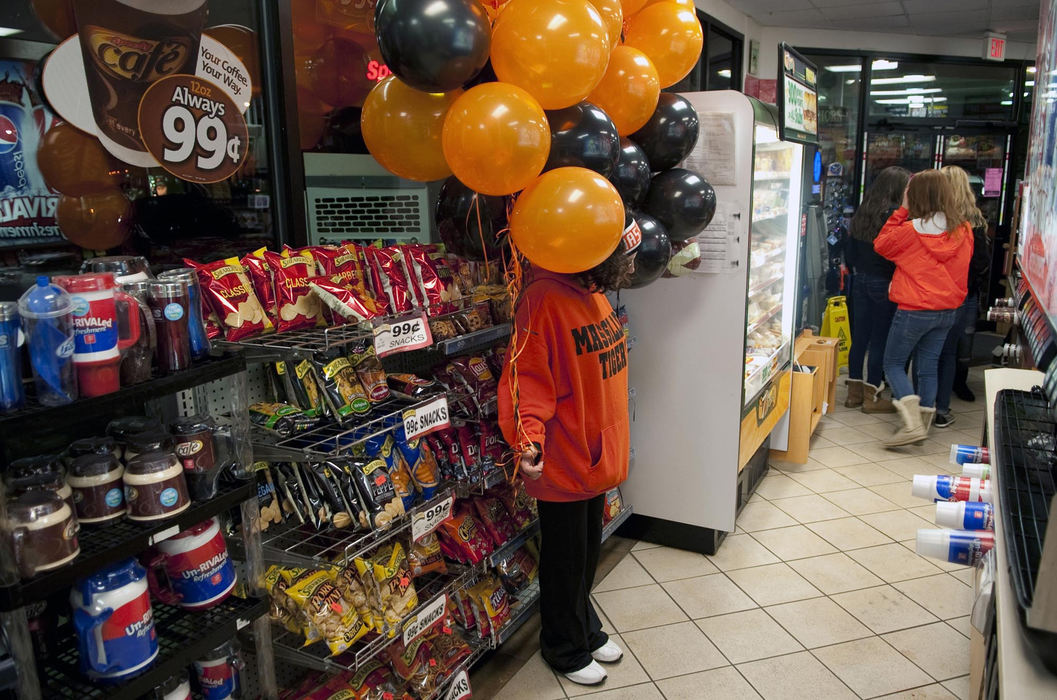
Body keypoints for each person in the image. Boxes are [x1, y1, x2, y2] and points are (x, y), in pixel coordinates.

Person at [498, 231, 637, 686]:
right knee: (565, 559)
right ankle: (562, 646)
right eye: (627, 259)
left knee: (585, 554)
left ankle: (584, 627)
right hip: (564, 460)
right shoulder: (542, 301)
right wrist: (528, 439)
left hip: (594, 457)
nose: (633, 268)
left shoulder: (592, 294)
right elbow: (528, 381)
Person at [874, 170, 973, 446]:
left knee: (893, 363)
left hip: (914, 310)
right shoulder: (963, 229)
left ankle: (913, 424)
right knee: (928, 366)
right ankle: (924, 425)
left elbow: (881, 245)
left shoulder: (911, 231)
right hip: (947, 311)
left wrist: (902, 210)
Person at [844, 167, 910, 413]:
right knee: (879, 339)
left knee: (859, 337)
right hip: (885, 282)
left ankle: (853, 394)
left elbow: (849, 249)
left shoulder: (864, 210)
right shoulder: (893, 214)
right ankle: (872, 395)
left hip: (860, 279)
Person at [933, 166, 991, 427]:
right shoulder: (976, 221)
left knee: (929, 352)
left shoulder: (933, 218)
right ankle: (943, 407)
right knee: (953, 351)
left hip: (933, 295)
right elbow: (982, 262)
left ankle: (923, 405)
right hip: (963, 294)